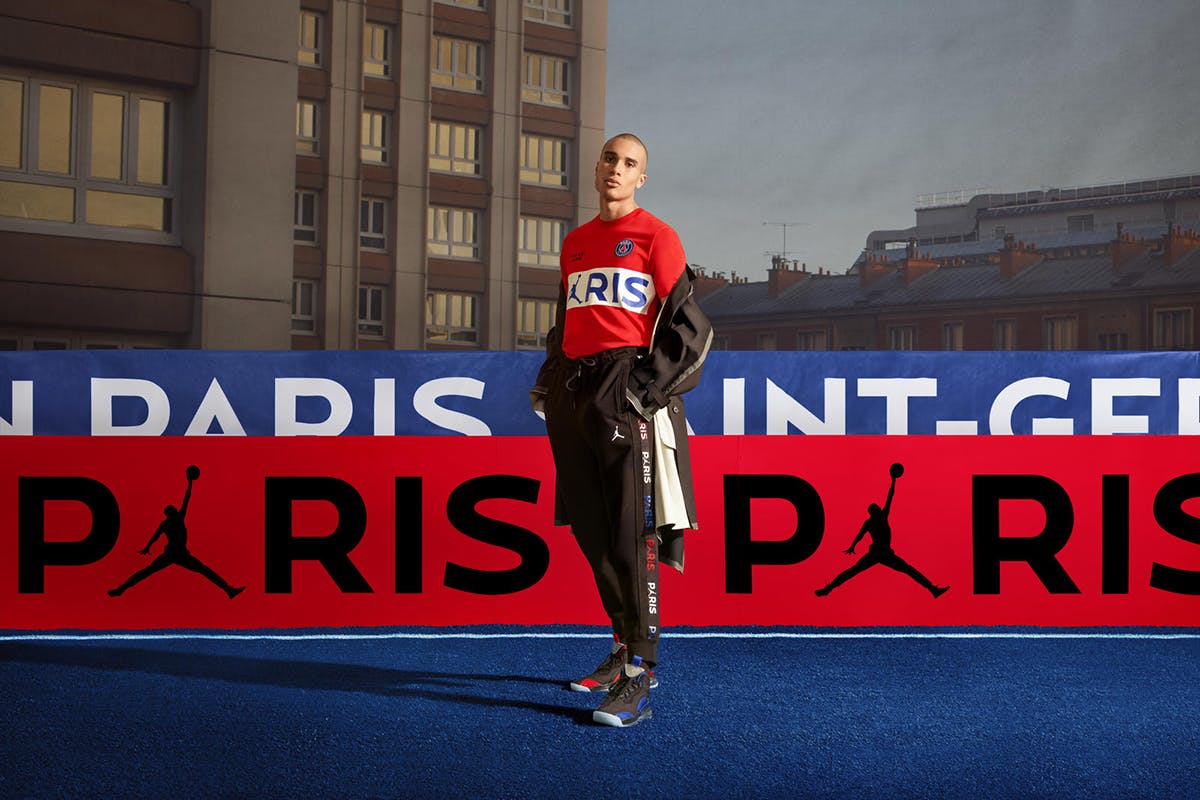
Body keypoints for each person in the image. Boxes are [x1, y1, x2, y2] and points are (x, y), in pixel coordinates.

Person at [530, 133, 712, 727]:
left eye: (630, 163)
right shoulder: (576, 243)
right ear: (597, 166)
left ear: (641, 179)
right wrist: (549, 379)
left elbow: (692, 328)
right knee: (591, 530)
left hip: (621, 390)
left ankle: (640, 677)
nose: (617, 169)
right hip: (573, 394)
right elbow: (565, 324)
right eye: (611, 158)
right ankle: (618, 649)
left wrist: (641, 390)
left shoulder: (657, 236)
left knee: (634, 535)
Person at [108, 466, 245, 599]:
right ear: (169, 513)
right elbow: (156, 535)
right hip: (174, 553)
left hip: (179, 554)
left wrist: (147, 547)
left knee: (150, 572)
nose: (174, 509)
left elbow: (186, 499)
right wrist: (147, 547)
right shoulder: (175, 520)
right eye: (172, 509)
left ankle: (228, 590)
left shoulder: (172, 520)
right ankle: (121, 589)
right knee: (202, 570)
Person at [814, 463, 948, 599]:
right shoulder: (880, 517)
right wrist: (893, 480)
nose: (879, 507)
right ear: (875, 511)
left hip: (881, 553)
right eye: (877, 507)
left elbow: (860, 534)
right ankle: (932, 589)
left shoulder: (871, 521)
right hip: (880, 553)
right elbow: (890, 497)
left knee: (853, 571)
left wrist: (853, 546)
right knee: (908, 570)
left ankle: (828, 589)